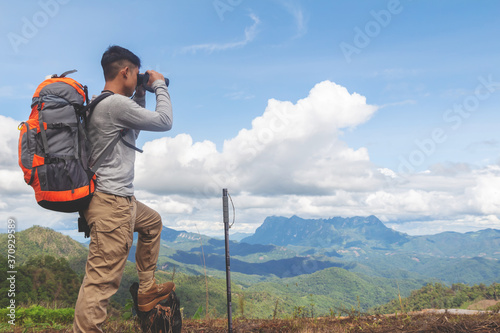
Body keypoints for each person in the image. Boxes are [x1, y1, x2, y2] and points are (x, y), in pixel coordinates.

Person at [73, 45, 174, 332]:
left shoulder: (104, 104)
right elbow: (164, 122)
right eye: (136, 75)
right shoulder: (114, 105)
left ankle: (147, 289)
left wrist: (140, 92)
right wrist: (159, 86)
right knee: (101, 282)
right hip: (111, 204)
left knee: (152, 223)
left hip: (120, 201)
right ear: (125, 71)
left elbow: (135, 130)